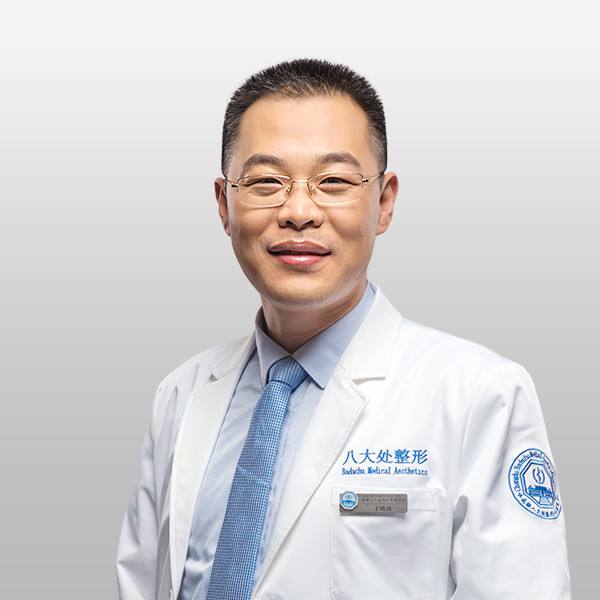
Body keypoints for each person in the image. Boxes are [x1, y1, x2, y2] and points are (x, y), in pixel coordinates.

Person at [116, 58, 572, 600]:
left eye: (333, 181)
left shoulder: (480, 395)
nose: (299, 211)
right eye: (266, 181)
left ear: (384, 202)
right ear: (224, 205)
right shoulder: (182, 395)